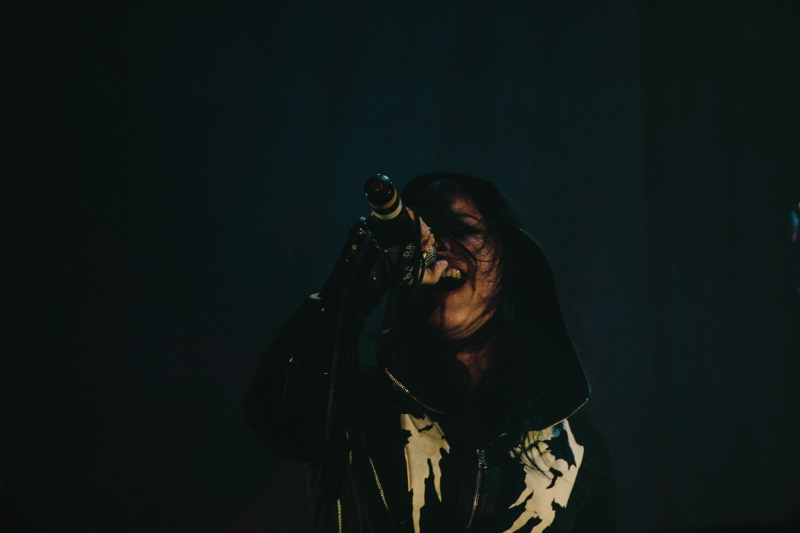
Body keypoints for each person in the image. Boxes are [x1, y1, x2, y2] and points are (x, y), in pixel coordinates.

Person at [242, 173, 619, 532]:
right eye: (421, 237)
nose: (434, 250)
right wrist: (360, 279)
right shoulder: (355, 400)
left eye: (460, 230)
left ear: (511, 259)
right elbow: (278, 419)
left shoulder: (578, 449)